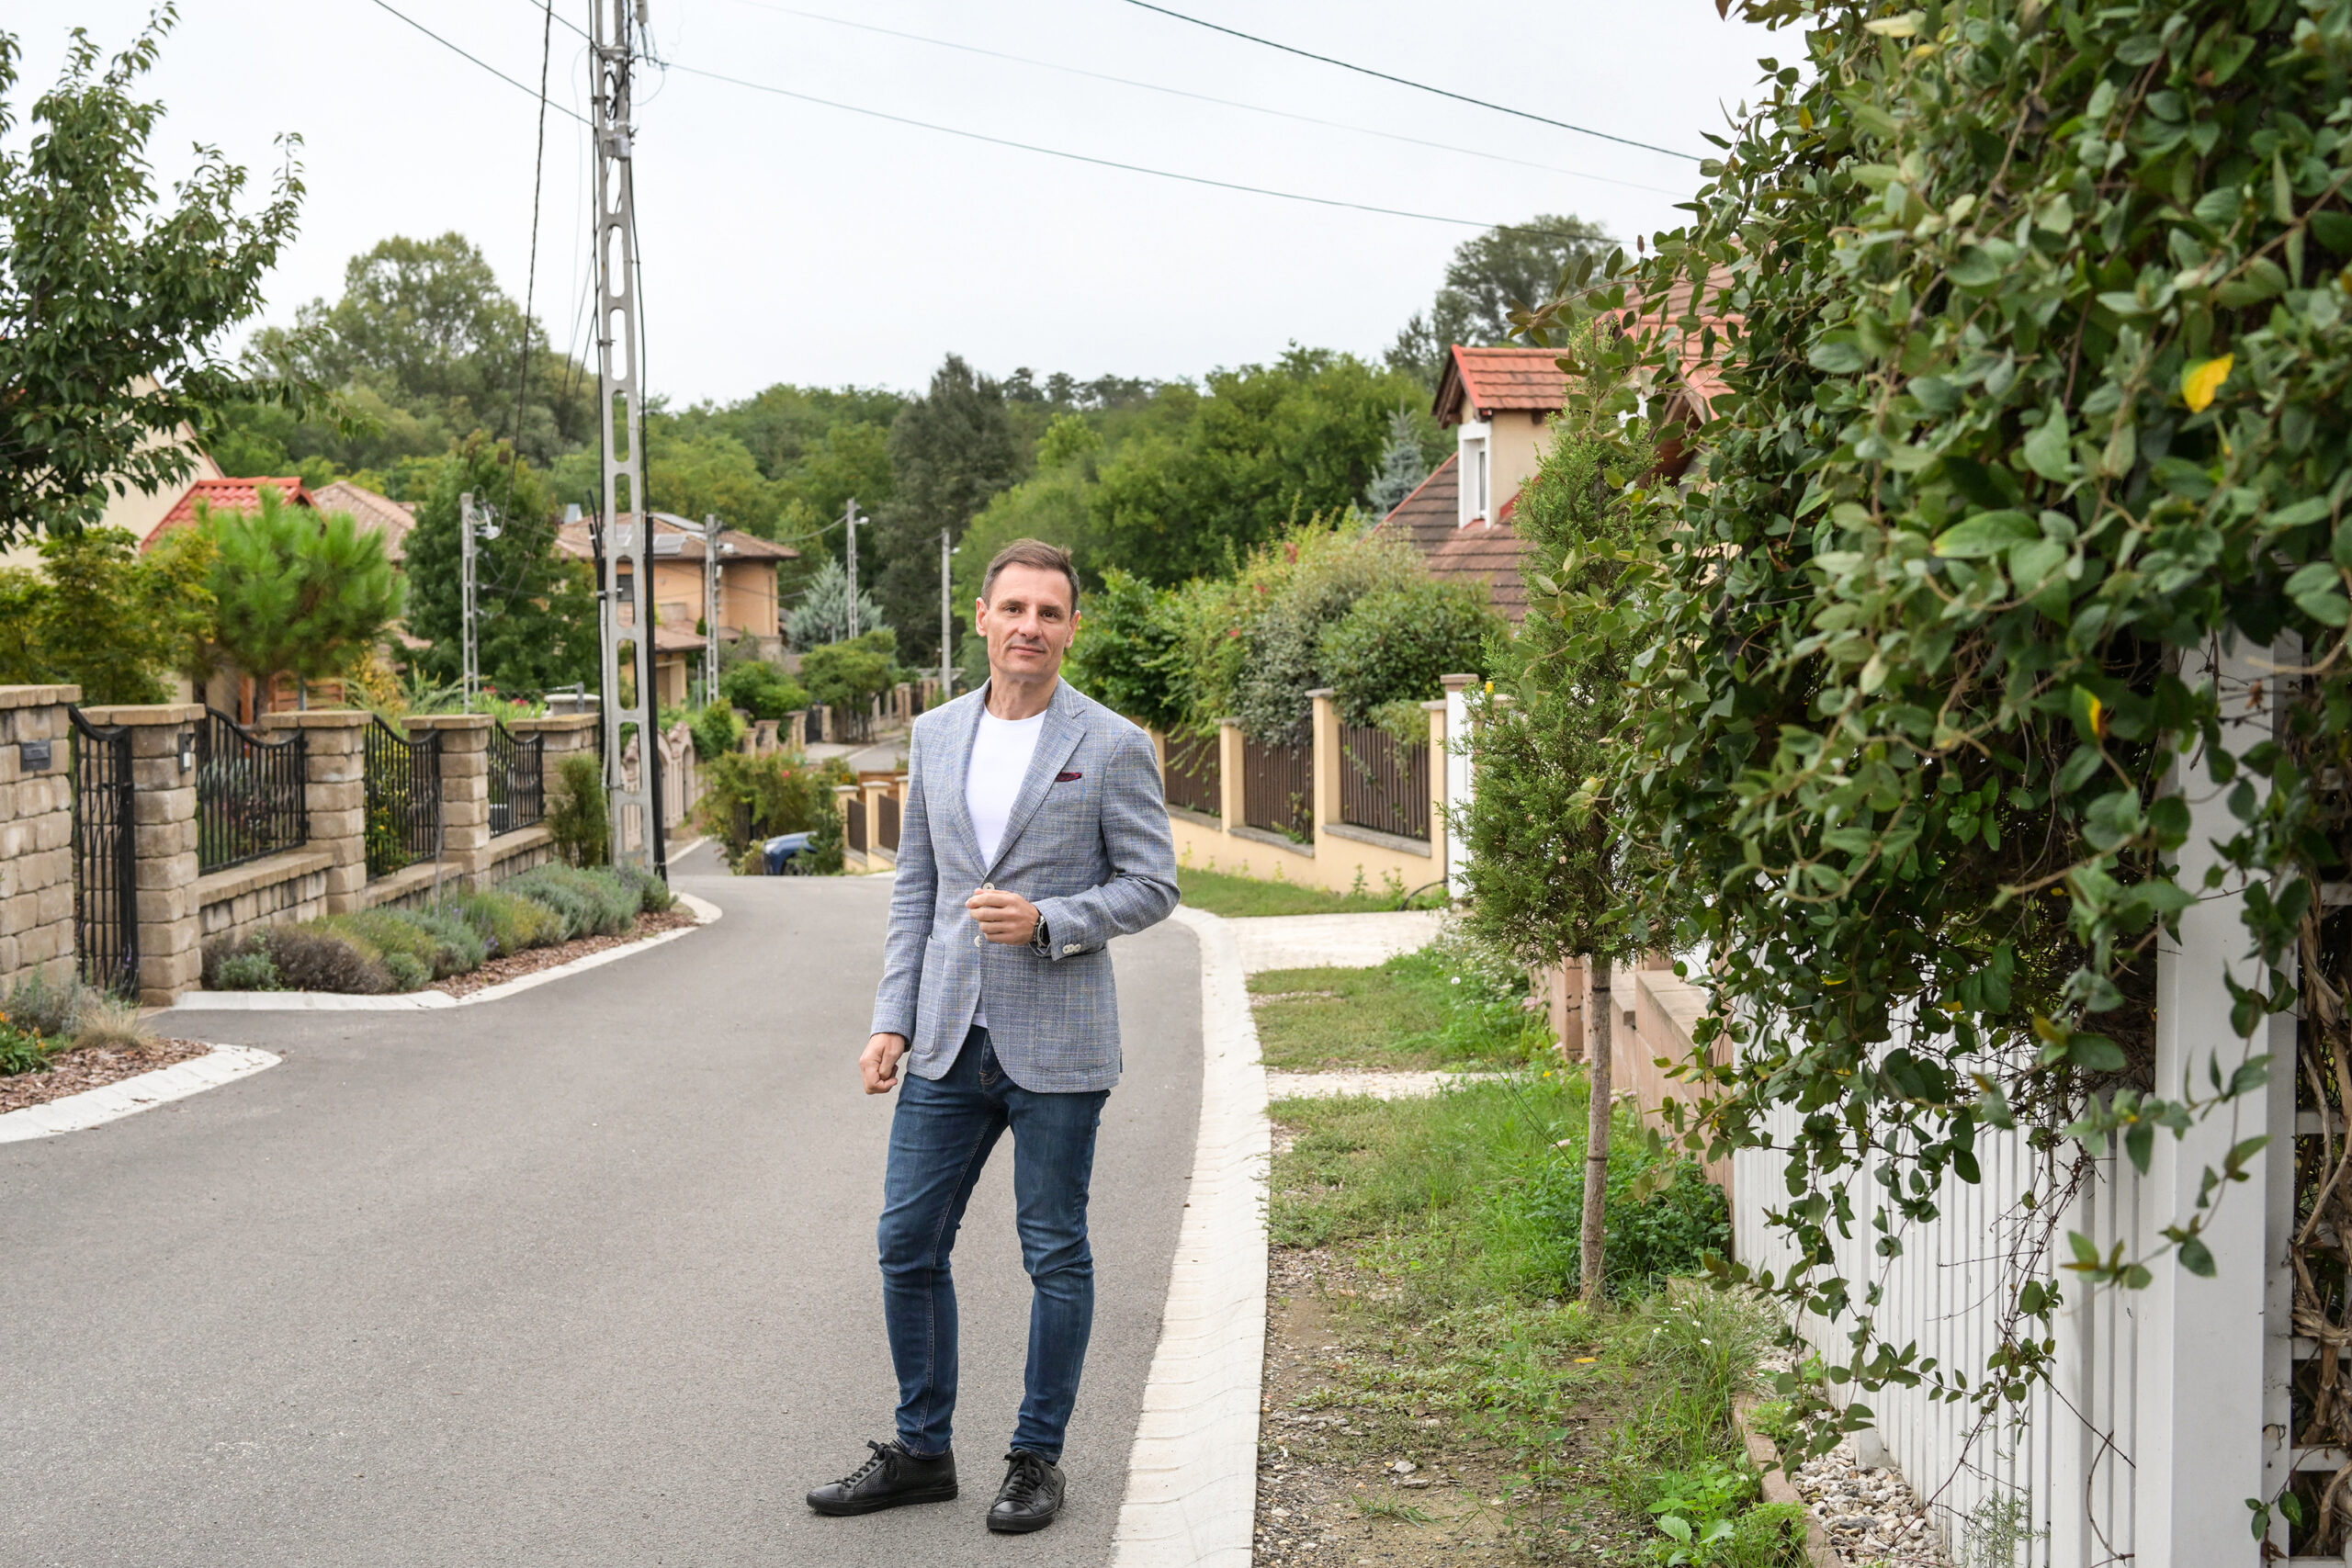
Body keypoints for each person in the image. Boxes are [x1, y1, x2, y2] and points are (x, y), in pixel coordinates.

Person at [805, 538, 1179, 1535]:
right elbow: (916, 891)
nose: (1030, 627)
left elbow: (1153, 885)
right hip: (945, 1035)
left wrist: (1052, 920)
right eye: (1014, 608)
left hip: (1058, 1040)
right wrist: (891, 1018)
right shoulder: (934, 734)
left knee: (1053, 1250)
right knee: (906, 1242)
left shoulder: (1110, 743)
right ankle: (922, 1450)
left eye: (1049, 613)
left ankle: (1035, 1457)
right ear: (981, 617)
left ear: (1071, 628)